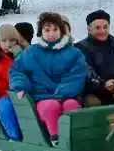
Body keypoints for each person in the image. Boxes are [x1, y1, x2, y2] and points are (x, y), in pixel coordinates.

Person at [9, 12, 87, 142]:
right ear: (41, 32)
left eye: (55, 30)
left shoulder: (74, 53)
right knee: (50, 106)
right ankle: (55, 137)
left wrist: (62, 91)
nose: (51, 34)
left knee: (71, 105)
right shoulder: (31, 52)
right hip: (42, 96)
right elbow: (17, 70)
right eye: (47, 30)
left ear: (61, 31)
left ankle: (74, 138)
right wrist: (21, 85)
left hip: (67, 95)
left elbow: (77, 75)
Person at [76, 9, 114, 106]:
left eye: (105, 27)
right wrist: (105, 85)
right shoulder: (81, 48)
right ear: (89, 29)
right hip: (94, 92)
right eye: (97, 28)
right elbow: (87, 73)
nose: (102, 31)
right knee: (93, 102)